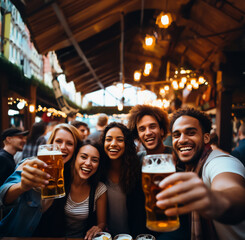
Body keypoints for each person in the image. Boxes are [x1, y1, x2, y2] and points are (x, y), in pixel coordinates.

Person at [156, 108, 245, 240]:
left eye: (191, 133)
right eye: (176, 135)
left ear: (206, 137)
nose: (182, 140)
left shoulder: (220, 161)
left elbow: (233, 191)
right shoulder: (190, 166)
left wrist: (217, 200)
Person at [0, 123, 81, 236]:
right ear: (51, 144)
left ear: (75, 149)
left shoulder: (74, 175)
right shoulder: (31, 165)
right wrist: (22, 186)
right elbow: (3, 195)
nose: (63, 147)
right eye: (58, 141)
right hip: (19, 235)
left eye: (70, 143)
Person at [127, 104, 190, 240]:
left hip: (173, 232)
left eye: (152, 126)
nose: (148, 132)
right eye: (142, 129)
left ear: (162, 130)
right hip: (142, 233)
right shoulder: (137, 161)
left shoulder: (179, 158)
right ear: (138, 135)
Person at [101, 122, 147, 238]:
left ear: (127, 144)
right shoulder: (99, 172)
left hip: (134, 235)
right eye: (109, 139)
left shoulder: (137, 171)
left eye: (120, 140)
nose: (113, 144)